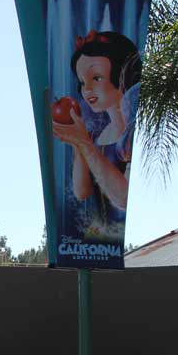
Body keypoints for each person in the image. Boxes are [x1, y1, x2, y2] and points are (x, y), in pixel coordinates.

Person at [52, 30, 140, 239]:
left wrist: (85, 145)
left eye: (96, 78)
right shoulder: (95, 136)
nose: (87, 89)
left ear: (121, 75)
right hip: (99, 238)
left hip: (125, 242)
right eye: (82, 82)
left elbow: (124, 197)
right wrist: (78, 143)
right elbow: (82, 192)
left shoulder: (131, 134)